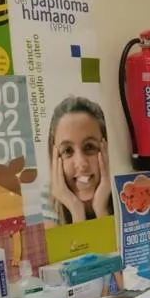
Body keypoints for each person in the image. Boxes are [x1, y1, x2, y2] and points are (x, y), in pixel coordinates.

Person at [47, 96, 113, 225]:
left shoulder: (128, 194)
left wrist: (101, 209)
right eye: (67, 150)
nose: (81, 163)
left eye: (89, 147)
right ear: (54, 158)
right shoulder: (44, 205)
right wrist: (76, 211)